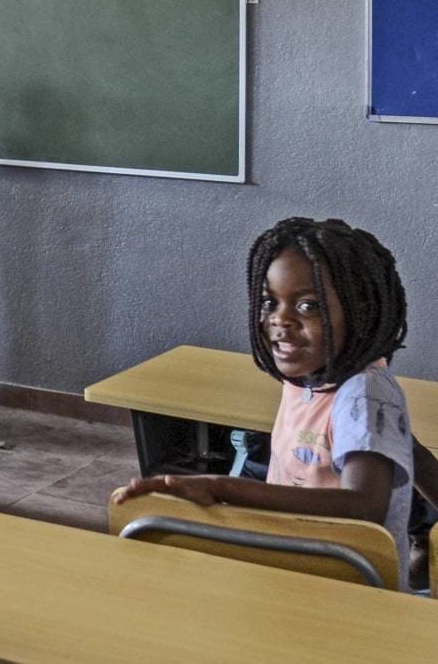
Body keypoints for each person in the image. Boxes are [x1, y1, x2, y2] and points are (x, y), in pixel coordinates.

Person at [114, 216, 416, 589]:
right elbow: (409, 450)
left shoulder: (363, 392)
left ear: (360, 311)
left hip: (349, 587)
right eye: (269, 302)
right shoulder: (307, 379)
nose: (280, 319)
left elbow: (365, 506)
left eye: (308, 306)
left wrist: (224, 488)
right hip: (293, 563)